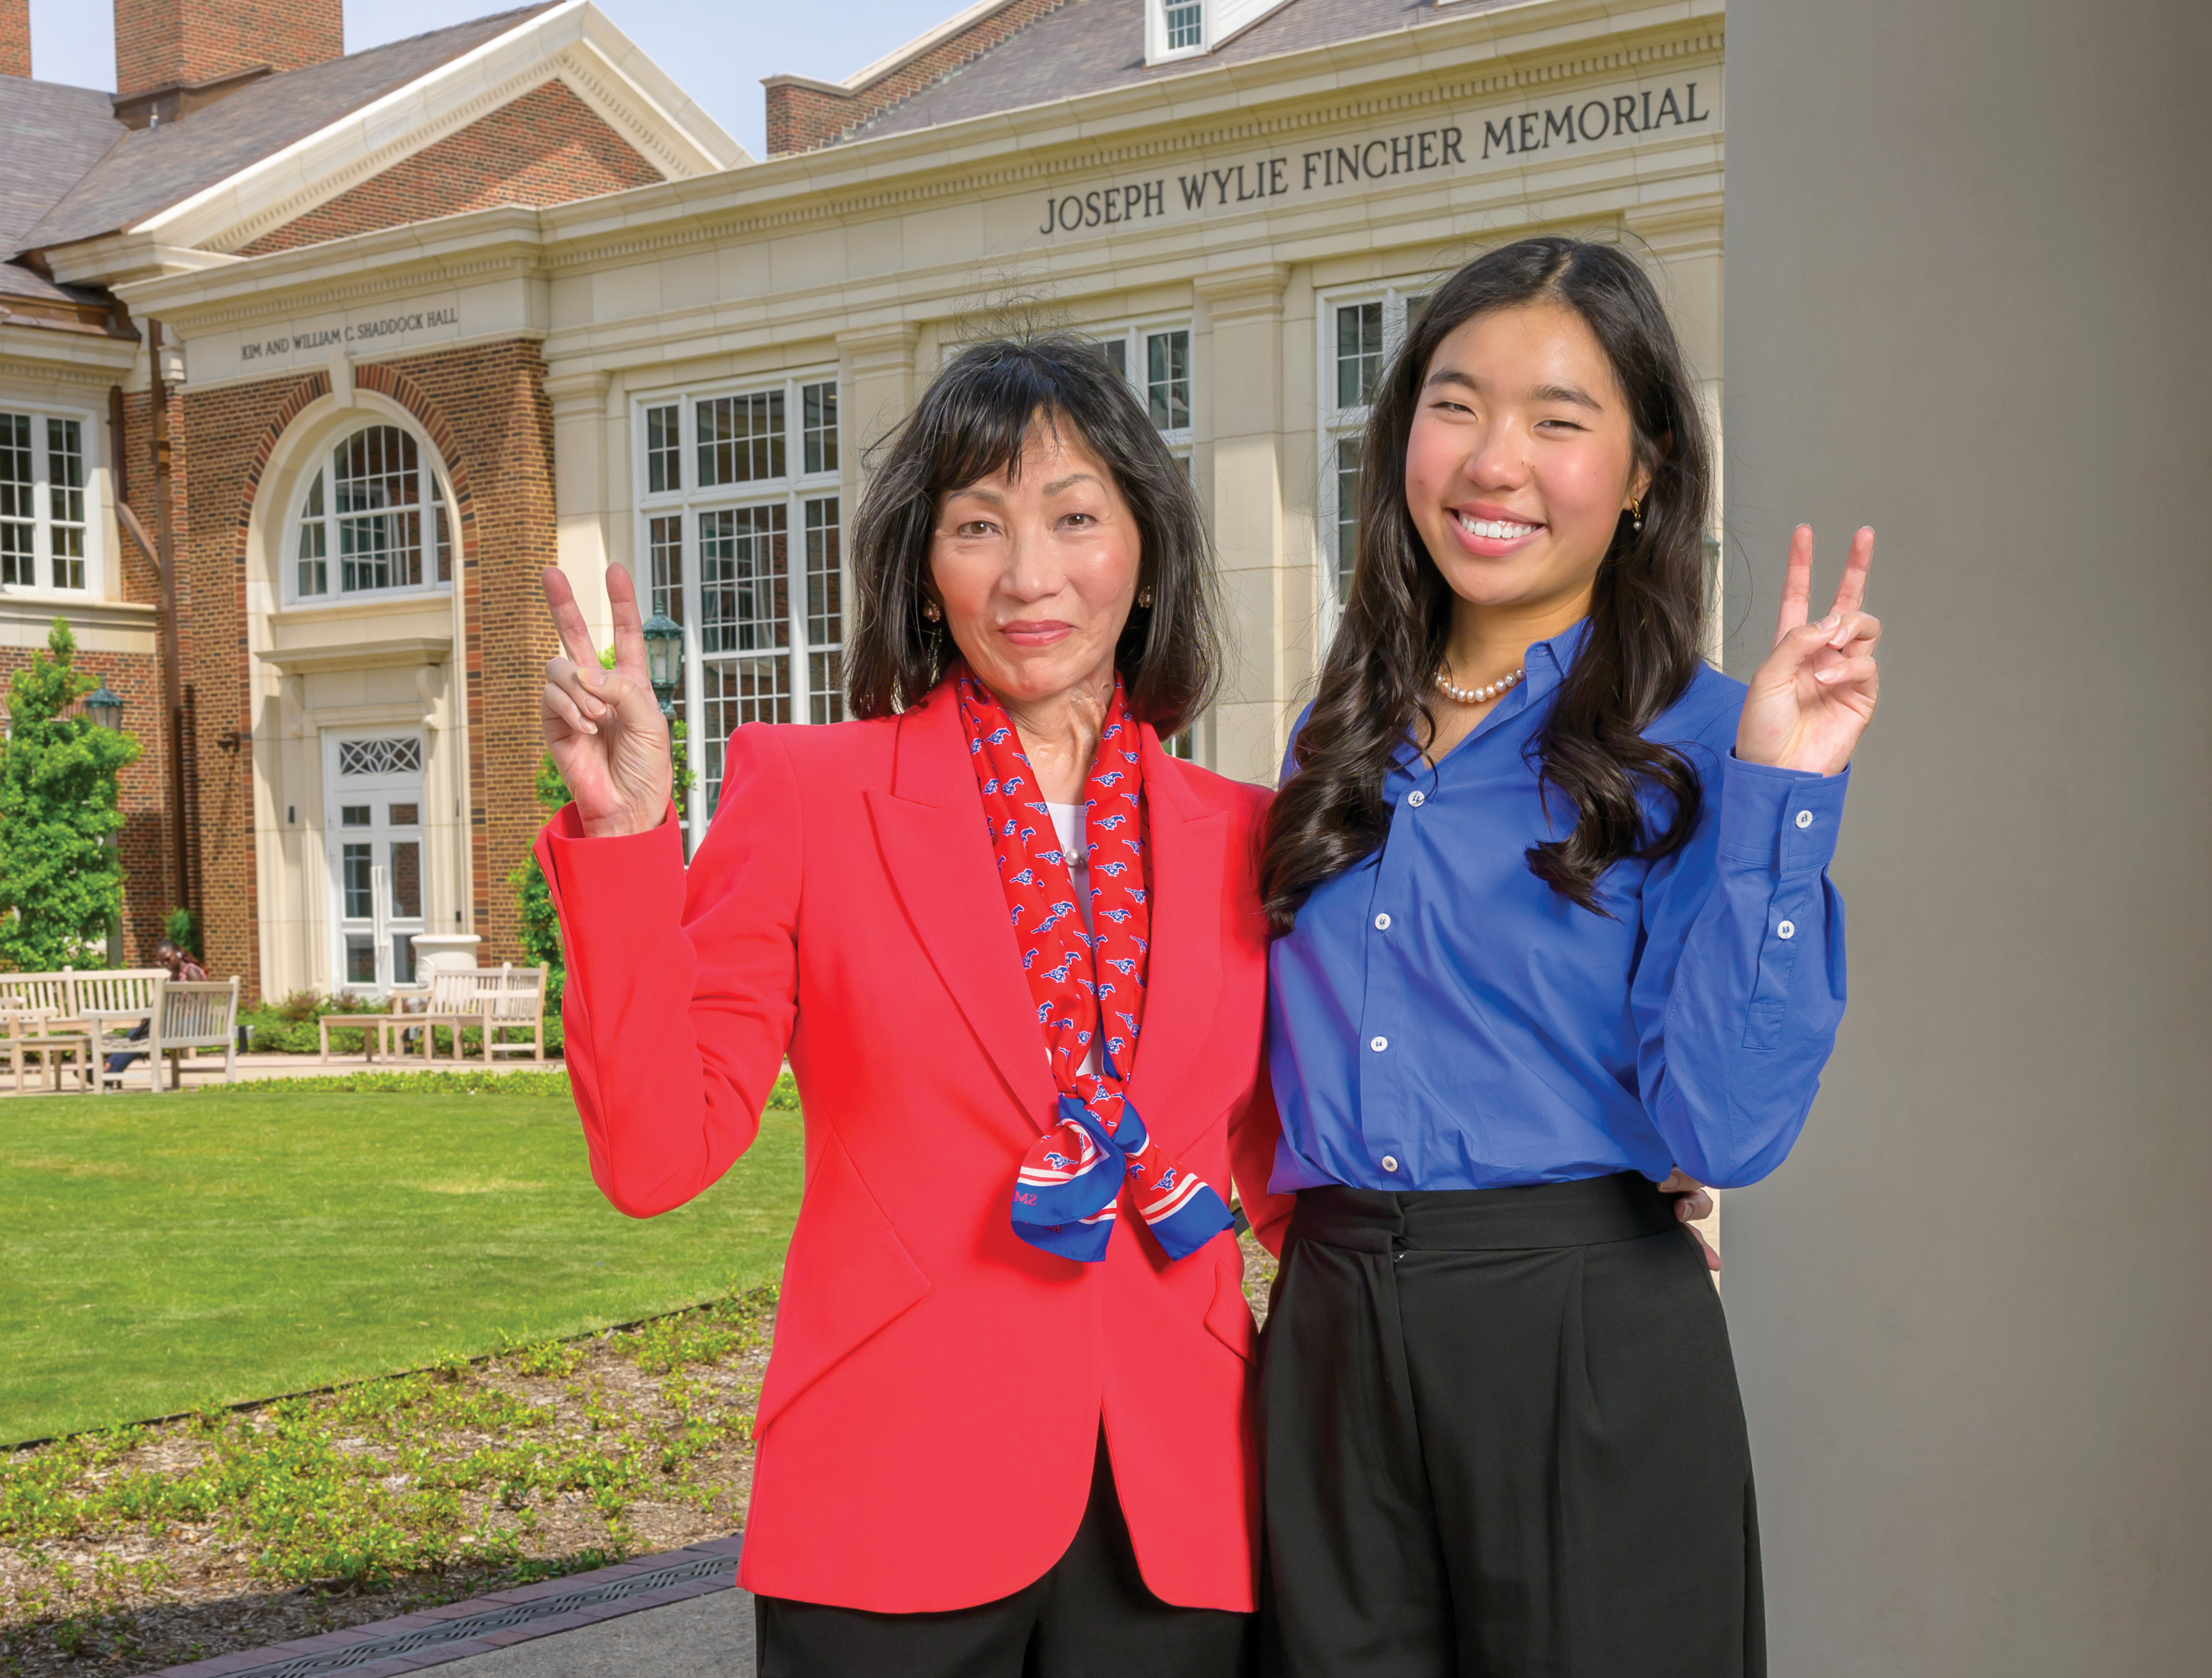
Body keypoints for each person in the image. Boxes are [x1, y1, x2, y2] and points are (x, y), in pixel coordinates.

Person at [533, 336, 1288, 1677]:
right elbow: (655, 1154)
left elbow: (1303, 1168)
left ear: (1148, 551)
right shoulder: (810, 795)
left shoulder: (1246, 838)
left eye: (1073, 517)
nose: (1028, 575)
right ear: (925, 574)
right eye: (976, 526)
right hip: (889, 1488)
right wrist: (630, 831)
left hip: (1179, 1506)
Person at [1256, 236, 1882, 1677]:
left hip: (1579, 1328)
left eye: (1558, 418)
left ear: (1644, 466)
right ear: (1401, 428)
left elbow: (1724, 1125)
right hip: (1333, 1327)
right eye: (1456, 403)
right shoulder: (1331, 736)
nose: (1492, 462)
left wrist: (1781, 790)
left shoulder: (1711, 739)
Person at [104, 940, 206, 1074]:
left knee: (143, 1032)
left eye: (168, 959)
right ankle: (111, 1069)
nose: (166, 964)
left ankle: (109, 1067)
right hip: (178, 1024)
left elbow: (203, 1005)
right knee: (141, 1031)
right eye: (162, 962)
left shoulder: (191, 972)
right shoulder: (175, 976)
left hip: (193, 1024)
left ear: (179, 953)